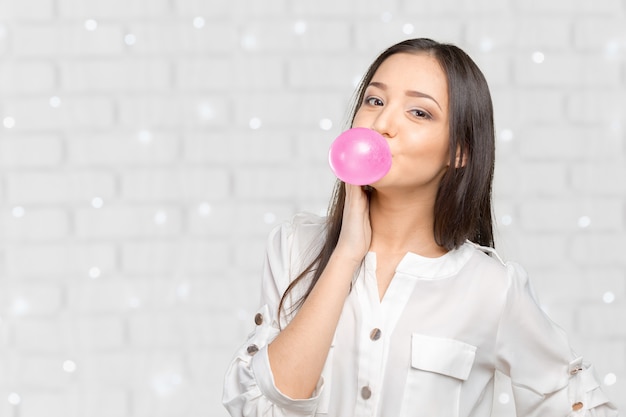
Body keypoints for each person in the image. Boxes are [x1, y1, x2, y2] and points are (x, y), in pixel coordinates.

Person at [222, 38, 618, 417]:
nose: (382, 123)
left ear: (459, 151)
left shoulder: (491, 288)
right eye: (375, 100)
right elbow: (266, 406)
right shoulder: (295, 247)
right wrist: (346, 253)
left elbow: (573, 404)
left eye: (419, 112)